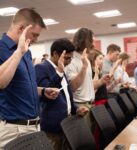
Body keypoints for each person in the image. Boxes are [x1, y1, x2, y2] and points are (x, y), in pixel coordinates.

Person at [0, 8, 59, 149]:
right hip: (14, 130)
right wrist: (19, 52)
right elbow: (1, 82)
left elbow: (23, 85)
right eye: (34, 35)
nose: (36, 40)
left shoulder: (27, 52)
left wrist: (43, 91)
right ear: (21, 28)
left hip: (34, 126)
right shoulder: (3, 49)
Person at [35, 38, 88, 150]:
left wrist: (76, 109)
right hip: (52, 128)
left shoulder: (61, 68)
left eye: (70, 58)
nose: (69, 61)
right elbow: (47, 96)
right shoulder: (41, 68)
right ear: (55, 54)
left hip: (66, 124)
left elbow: (66, 96)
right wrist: (59, 72)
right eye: (66, 58)